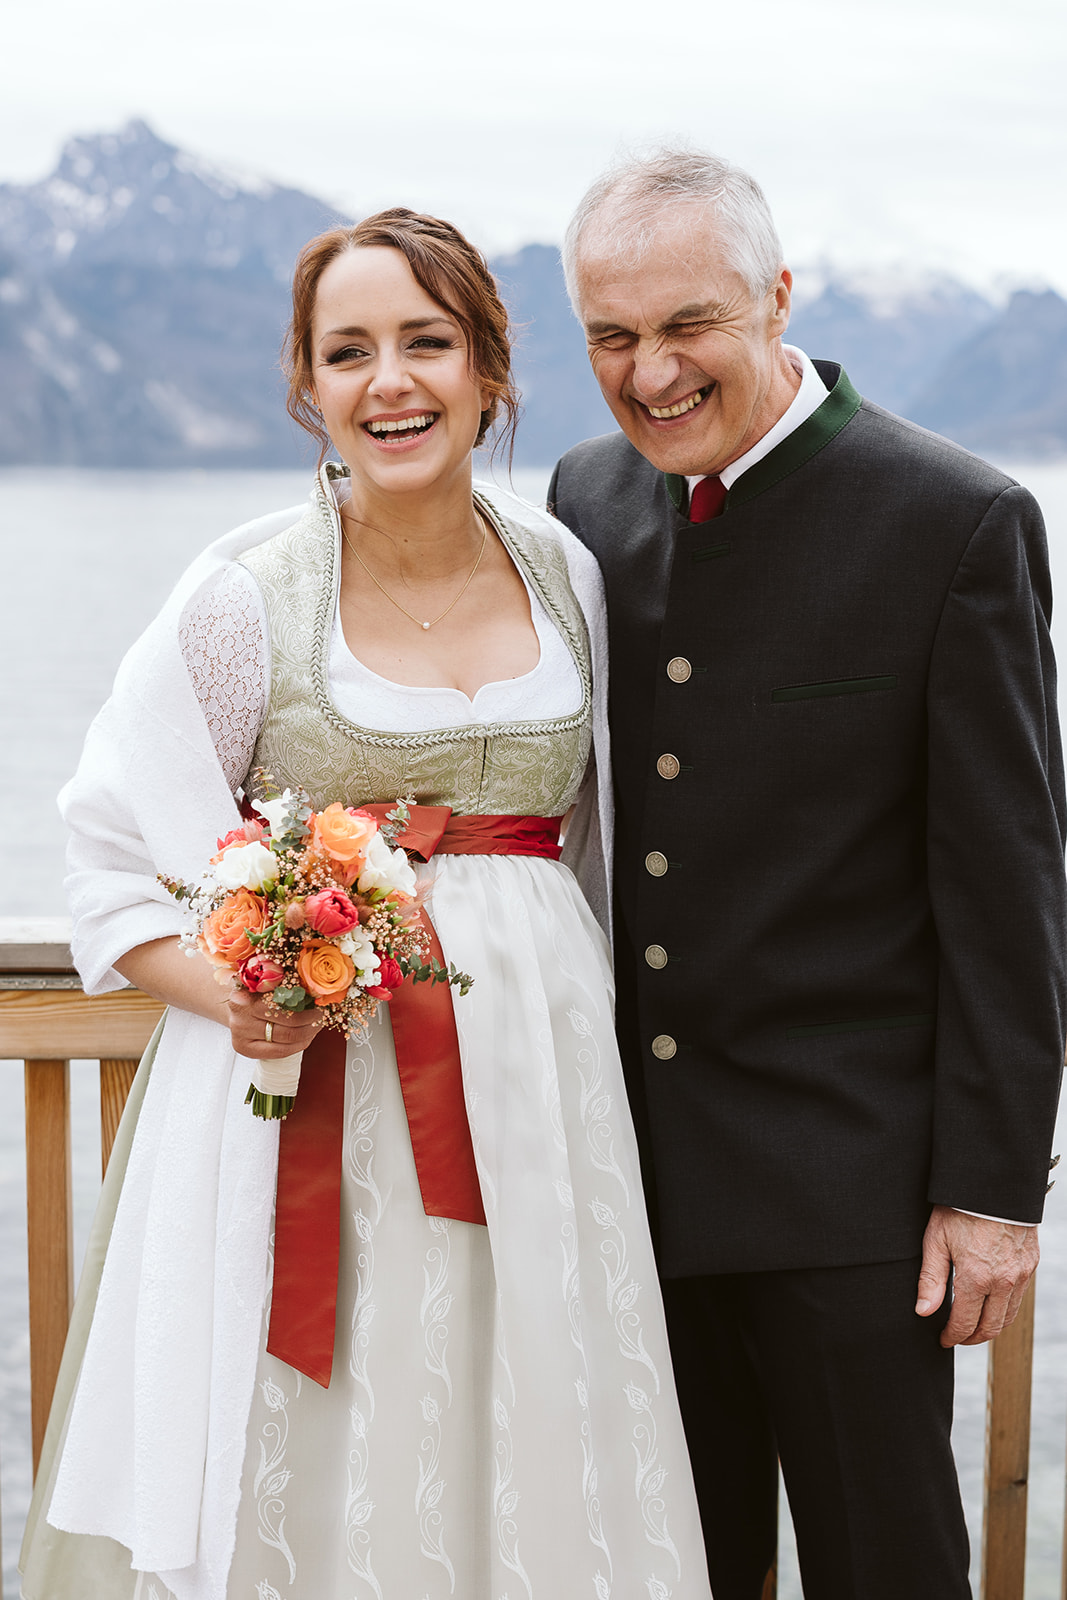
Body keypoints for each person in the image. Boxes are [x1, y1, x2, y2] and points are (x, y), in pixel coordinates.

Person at [20, 209, 713, 1600]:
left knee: (529, 1421)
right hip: (307, 1105)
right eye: (348, 352)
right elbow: (105, 855)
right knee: (324, 1429)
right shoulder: (243, 599)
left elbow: (598, 850)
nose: (388, 380)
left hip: (541, 1105)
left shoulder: (567, 576)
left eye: (426, 342)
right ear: (309, 387)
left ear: (489, 372)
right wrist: (246, 995)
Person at [548, 148, 1067, 1600]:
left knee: (884, 1571)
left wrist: (991, 1190)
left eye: (686, 327)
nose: (649, 372)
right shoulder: (584, 496)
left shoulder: (952, 520)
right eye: (609, 336)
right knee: (665, 1569)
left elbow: (1011, 885)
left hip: (859, 1205)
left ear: (777, 298)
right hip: (631, 1184)